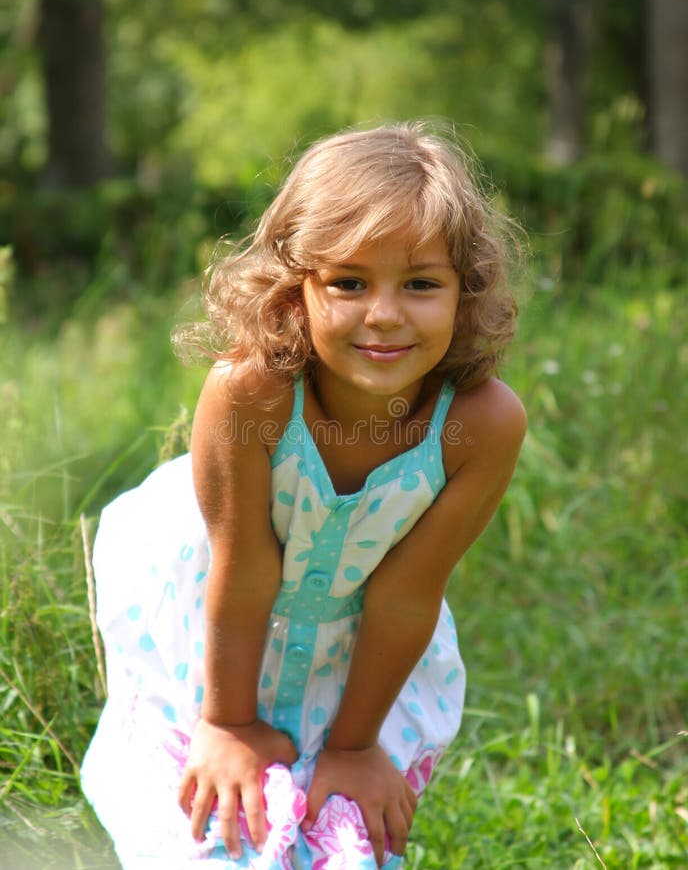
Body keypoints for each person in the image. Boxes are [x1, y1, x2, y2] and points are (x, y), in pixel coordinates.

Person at [81, 121, 527, 869]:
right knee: (209, 836)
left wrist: (354, 747)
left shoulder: (481, 424)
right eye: (349, 282)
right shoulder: (251, 393)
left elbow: (406, 594)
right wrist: (226, 725)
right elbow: (244, 563)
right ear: (296, 290)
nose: (384, 314)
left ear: (465, 290)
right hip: (216, 620)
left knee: (338, 843)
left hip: (359, 650)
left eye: (420, 283)